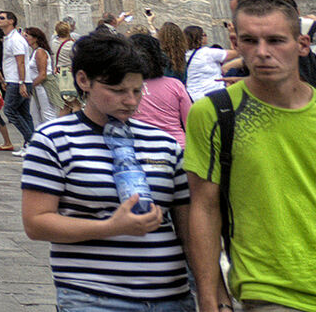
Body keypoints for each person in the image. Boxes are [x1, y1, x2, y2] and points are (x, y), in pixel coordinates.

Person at [186, 0, 316, 312]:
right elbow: (203, 208)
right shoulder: (215, 114)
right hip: (270, 293)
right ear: (235, 45)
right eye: (249, 41)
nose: (261, 52)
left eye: (275, 41)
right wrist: (209, 294)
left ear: (302, 45)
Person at [21, 29, 193, 312]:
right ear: (83, 80)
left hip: (171, 296)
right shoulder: (53, 139)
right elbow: (36, 223)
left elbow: (188, 228)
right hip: (95, 296)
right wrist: (111, 227)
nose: (130, 101)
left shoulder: (163, 143)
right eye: (117, 91)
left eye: (137, 91)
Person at [131, 33, 191, 145]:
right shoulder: (175, 85)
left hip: (141, 149)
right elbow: (190, 124)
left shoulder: (125, 89)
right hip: (176, 147)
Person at [0, 11, 40, 148]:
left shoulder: (16, 39)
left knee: (9, 110)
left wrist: (21, 82)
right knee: (23, 112)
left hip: (18, 81)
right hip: (14, 79)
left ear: (11, 21)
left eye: (2, 18)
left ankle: (31, 141)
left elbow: (20, 62)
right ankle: (31, 142)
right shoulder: (9, 38)